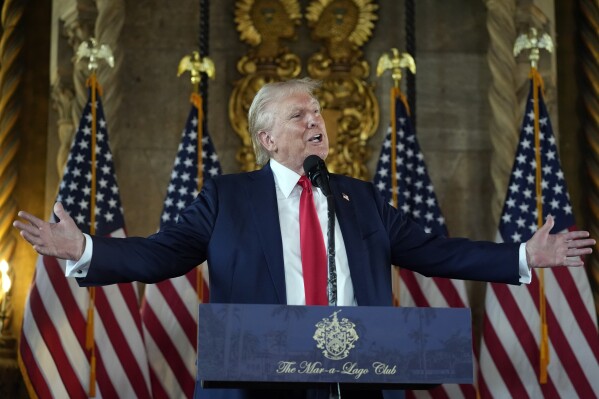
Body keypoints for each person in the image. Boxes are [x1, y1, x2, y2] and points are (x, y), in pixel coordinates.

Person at [14, 78, 594, 399]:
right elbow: (162, 253)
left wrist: (523, 255)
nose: (316, 121)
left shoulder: (361, 198)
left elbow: (436, 251)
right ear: (266, 138)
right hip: (257, 385)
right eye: (300, 115)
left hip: (357, 384)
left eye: (318, 112)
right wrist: (86, 249)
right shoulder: (228, 197)